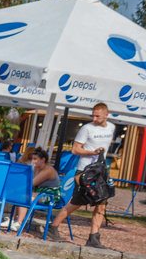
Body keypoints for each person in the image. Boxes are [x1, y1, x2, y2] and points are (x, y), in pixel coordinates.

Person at [49, 103, 115, 248]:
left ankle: (94, 237)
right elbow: (75, 150)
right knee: (77, 202)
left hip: (101, 170)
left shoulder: (111, 127)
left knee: (101, 204)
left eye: (97, 115)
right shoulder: (87, 129)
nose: (94, 118)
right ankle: (53, 227)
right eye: (93, 115)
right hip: (85, 171)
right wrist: (93, 152)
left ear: (106, 115)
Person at [5, 147, 60, 233]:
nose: (33, 161)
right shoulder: (37, 168)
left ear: (43, 159)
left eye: (35, 159)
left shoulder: (48, 171)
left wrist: (14, 189)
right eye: (32, 159)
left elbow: (31, 184)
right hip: (40, 193)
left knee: (24, 197)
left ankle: (19, 223)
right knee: (20, 195)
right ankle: (12, 220)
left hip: (51, 196)